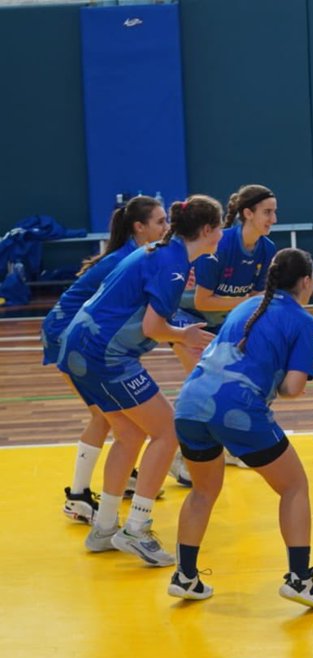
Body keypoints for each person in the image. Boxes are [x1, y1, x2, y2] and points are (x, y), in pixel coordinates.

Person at [58, 196, 222, 566]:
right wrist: (185, 335)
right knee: (167, 431)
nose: (222, 234)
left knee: (130, 434)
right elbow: (153, 327)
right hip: (104, 353)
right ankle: (136, 528)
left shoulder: (161, 251)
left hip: (77, 347)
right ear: (208, 231)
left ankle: (103, 528)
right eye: (220, 227)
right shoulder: (173, 264)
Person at [169, 248, 313, 609]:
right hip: (237, 410)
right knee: (294, 486)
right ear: (307, 282)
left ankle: (185, 576)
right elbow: (293, 388)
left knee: (202, 491)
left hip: (190, 403)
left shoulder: (247, 305)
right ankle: (300, 579)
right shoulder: (304, 322)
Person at [44, 196, 165, 523]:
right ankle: (78, 497)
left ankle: (120, 478)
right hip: (65, 336)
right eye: (160, 222)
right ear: (139, 228)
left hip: (76, 337)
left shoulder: (135, 255)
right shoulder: (128, 259)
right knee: (110, 420)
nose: (166, 229)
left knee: (121, 422)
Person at [172, 184, 279, 371]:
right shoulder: (219, 245)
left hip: (221, 318)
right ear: (248, 213)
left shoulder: (267, 249)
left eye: (274, 212)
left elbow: (254, 301)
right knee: (205, 371)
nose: (274, 219)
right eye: (268, 212)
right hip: (186, 314)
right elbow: (202, 302)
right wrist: (246, 300)